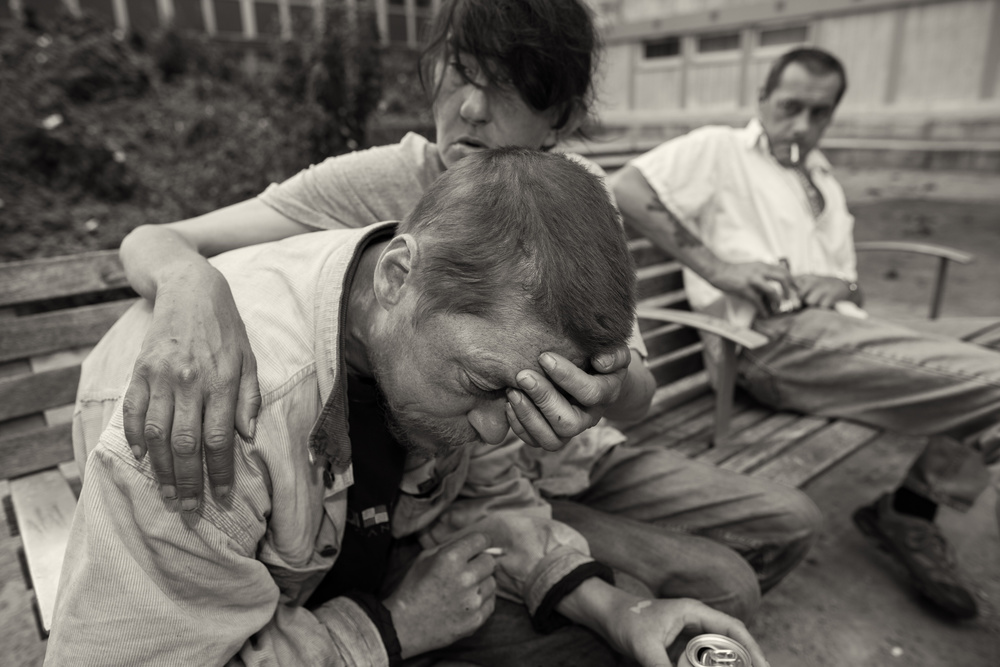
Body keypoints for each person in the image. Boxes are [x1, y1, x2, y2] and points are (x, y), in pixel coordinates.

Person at [75, 0, 821, 623]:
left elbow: (637, 395)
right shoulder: (382, 181)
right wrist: (190, 288)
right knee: (717, 585)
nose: (470, 108)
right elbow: (157, 238)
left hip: (568, 465)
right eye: (460, 71)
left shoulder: (574, 200)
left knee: (789, 524)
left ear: (558, 114)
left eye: (508, 86)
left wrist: (600, 390)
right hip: (467, 487)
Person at [47, 149, 770, 667]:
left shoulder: (472, 339)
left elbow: (488, 500)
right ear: (397, 275)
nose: (495, 427)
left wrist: (620, 610)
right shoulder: (216, 417)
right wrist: (389, 629)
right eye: (484, 385)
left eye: (521, 400)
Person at [611, 46, 1000, 621]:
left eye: (819, 113)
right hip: (770, 341)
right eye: (790, 107)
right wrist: (720, 268)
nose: (801, 125)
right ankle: (912, 518)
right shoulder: (720, 148)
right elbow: (627, 187)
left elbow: (852, 288)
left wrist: (841, 285)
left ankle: (911, 511)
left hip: (838, 331)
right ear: (762, 98)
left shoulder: (821, 179)